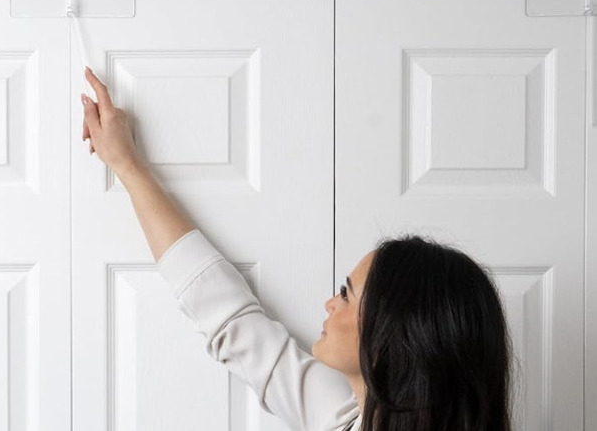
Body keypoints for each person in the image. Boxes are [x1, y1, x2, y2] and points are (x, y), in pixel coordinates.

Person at [79, 66, 513, 431]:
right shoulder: (343, 416)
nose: (329, 304)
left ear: (393, 340)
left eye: (346, 295)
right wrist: (128, 167)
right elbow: (226, 314)